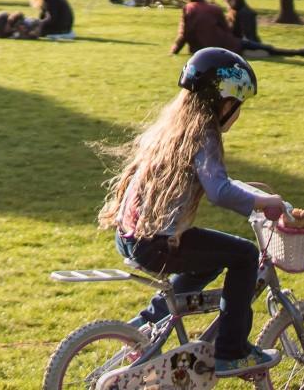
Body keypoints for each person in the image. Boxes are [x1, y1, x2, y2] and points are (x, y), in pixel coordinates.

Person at [97, 49, 287, 376]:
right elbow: (218, 190)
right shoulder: (204, 132)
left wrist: (251, 194)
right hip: (156, 242)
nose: (238, 115)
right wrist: (266, 204)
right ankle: (232, 350)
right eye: (238, 107)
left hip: (131, 235)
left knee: (205, 259)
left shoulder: (177, 124)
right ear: (223, 101)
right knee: (243, 256)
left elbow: (214, 178)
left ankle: (150, 322)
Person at [221, 0, 304, 58]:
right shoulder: (241, 12)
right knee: (271, 49)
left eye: (228, 0)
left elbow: (247, 35)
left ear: (234, 0)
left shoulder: (243, 13)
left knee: (270, 49)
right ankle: (303, 52)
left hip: (243, 43)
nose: (226, 3)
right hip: (240, 43)